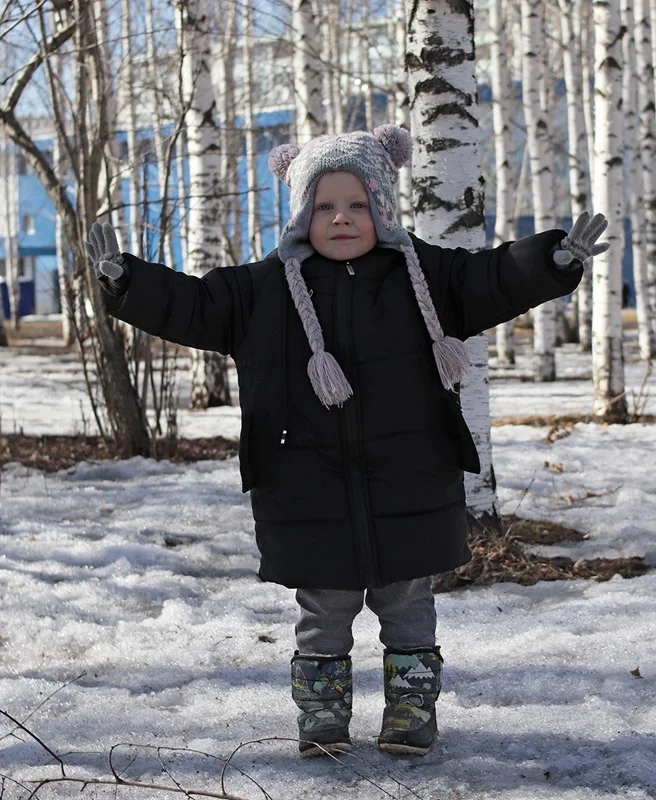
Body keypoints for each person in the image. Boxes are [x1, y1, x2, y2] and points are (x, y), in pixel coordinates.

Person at [85, 125, 609, 758]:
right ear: (302, 212)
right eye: (324, 206)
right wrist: (128, 283)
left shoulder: (428, 278)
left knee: (408, 606)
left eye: (358, 205)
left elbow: (493, 278)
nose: (340, 219)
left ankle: (411, 714)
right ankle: (323, 719)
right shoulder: (260, 290)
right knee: (323, 613)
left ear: (383, 209)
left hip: (408, 480)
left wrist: (549, 262)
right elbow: (193, 305)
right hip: (305, 488)